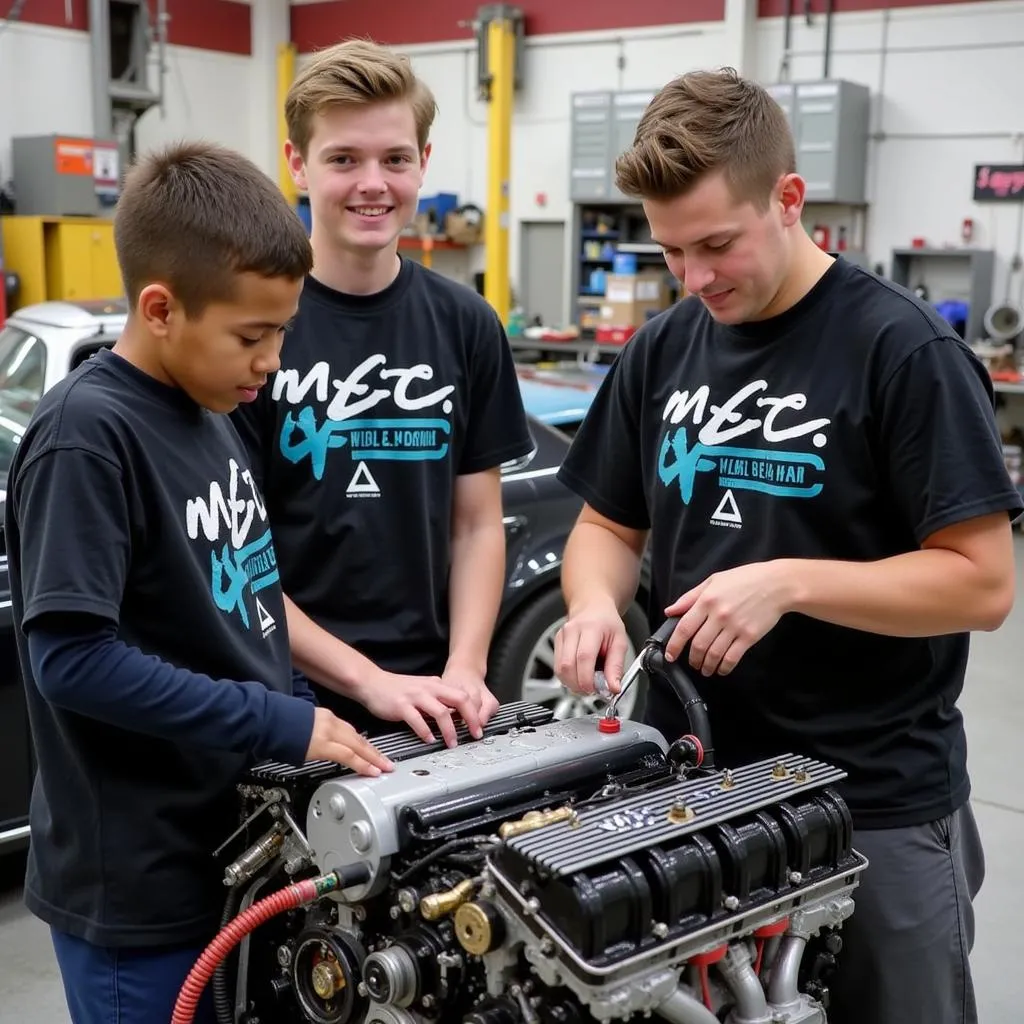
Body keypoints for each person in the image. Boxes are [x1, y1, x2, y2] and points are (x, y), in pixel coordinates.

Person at [552, 67, 1020, 1024]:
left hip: (869, 802)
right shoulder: (664, 347)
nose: (696, 277)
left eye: (718, 243)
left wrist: (790, 583)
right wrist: (594, 603)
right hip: (698, 787)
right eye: (672, 250)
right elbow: (606, 525)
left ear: (790, 198)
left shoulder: (903, 351)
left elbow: (981, 585)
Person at [4, 141, 393, 1024]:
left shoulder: (214, 411)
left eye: (283, 331)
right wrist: (277, 721)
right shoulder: (87, 437)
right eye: (253, 336)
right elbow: (71, 658)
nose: (273, 361)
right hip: (138, 896)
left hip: (236, 855)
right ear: (161, 307)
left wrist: (300, 730)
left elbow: (246, 603)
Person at [231, 39, 533, 749]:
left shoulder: (467, 325)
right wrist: (366, 680)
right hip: (287, 699)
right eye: (344, 159)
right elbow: (232, 557)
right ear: (297, 163)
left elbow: (477, 524)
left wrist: (465, 666)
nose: (374, 182)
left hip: (431, 699)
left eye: (395, 159)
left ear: (423, 163)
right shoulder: (250, 327)